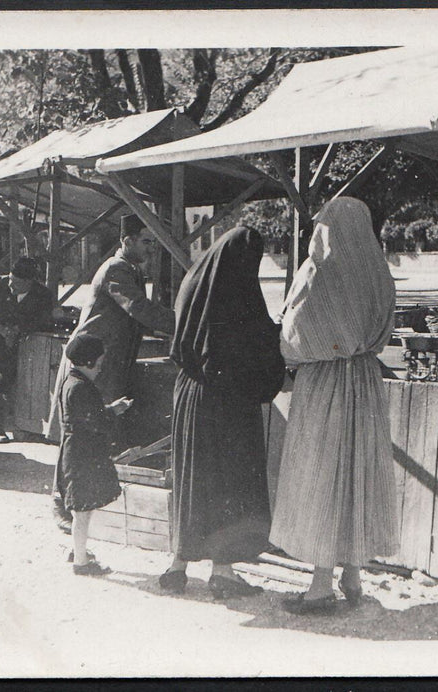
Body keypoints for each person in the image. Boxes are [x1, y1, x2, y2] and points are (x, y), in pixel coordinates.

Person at [268, 197, 399, 615]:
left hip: (326, 383)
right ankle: (353, 573)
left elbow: (297, 333)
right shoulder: (378, 271)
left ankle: (321, 585)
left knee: (325, 475)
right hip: (364, 381)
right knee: (356, 472)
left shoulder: (321, 273)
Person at [159, 225, 286, 599]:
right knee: (228, 482)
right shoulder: (237, 291)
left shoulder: (193, 281)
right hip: (226, 400)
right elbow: (255, 344)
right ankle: (223, 572)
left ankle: (177, 566)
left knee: (191, 478)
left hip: (188, 393)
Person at [47, 215, 175, 533]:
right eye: (145, 241)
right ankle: (61, 504)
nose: (151, 248)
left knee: (92, 434)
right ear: (127, 240)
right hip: (87, 365)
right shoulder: (116, 270)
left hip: (103, 366)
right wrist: (186, 324)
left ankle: (80, 505)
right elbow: (139, 309)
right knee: (76, 436)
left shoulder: (130, 270)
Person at [57, 333, 133, 577]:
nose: (100, 369)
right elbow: (95, 422)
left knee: (82, 508)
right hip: (82, 454)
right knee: (82, 509)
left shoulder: (71, 381)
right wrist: (112, 415)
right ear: (88, 362)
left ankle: (77, 549)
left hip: (76, 450)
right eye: (98, 364)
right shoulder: (81, 388)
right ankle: (81, 561)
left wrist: (111, 408)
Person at [0, 256, 56, 442]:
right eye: (10, 280)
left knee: (14, 383)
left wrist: (19, 330)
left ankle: (23, 426)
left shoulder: (43, 295)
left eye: (16, 283)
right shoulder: (2, 283)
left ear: (29, 282)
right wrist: (1, 329)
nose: (11, 286)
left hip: (24, 343)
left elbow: (43, 320)